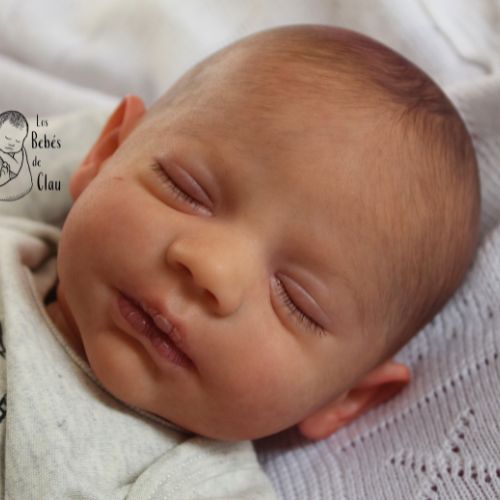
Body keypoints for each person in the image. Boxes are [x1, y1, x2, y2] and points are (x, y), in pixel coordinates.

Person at [0, 24, 480, 498]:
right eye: (184, 189)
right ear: (107, 152)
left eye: (295, 301)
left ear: (344, 396)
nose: (212, 269)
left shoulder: (196, 485)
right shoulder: (23, 235)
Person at [0, 110, 32, 200]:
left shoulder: (18, 152)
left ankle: (3, 180)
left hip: (12, 179)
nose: (12, 144)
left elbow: (16, 167)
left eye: (18, 141)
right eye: (7, 138)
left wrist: (2, 154)